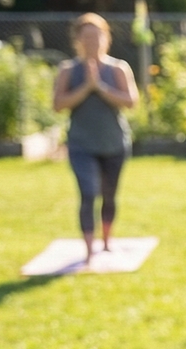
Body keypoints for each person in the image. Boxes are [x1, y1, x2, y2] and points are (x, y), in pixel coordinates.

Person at [52, 13, 139, 260]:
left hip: (114, 143)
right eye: (87, 36)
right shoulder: (68, 70)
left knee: (109, 195)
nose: (92, 41)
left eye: (97, 35)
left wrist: (99, 86)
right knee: (89, 193)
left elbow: (131, 101)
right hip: (82, 145)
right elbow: (58, 104)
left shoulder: (118, 68)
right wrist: (86, 88)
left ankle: (107, 242)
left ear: (106, 38)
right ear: (78, 40)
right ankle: (89, 250)